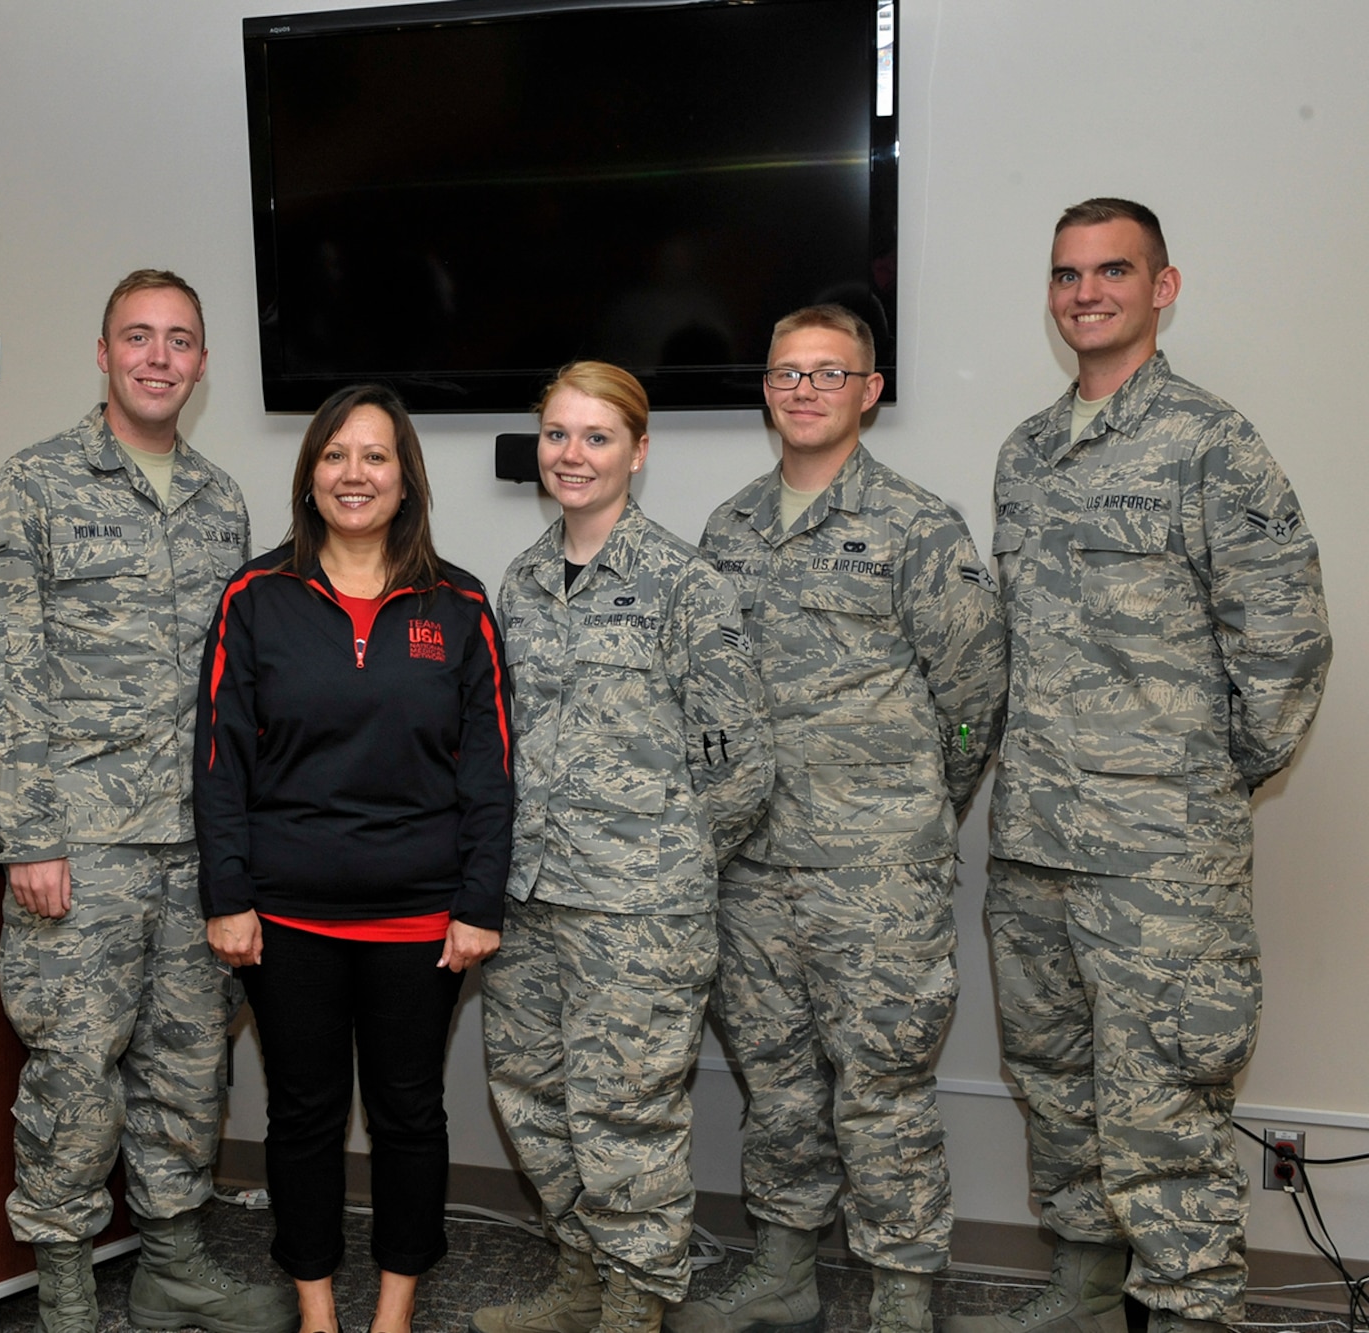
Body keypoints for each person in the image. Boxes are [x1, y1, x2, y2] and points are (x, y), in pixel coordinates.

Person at [944, 200, 1331, 1333]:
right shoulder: (1025, 452)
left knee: (1164, 1098)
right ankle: (1083, 1286)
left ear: (1162, 288)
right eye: (1066, 275)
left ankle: (1189, 1311)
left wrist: (1198, 783)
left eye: (1112, 271)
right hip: (1034, 842)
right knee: (1054, 1080)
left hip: (1158, 858)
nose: (1086, 293)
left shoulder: (1210, 441)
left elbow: (1285, 636)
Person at [0, 270, 294, 1333]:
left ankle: (170, 1257)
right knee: (73, 1067)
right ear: (103, 354)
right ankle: (63, 1277)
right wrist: (29, 835)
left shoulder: (219, 501)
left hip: (197, 845)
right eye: (137, 337)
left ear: (201, 363)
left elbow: (235, 689)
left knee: (189, 1060)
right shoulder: (36, 485)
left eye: (178, 340)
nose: (158, 356)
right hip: (81, 843)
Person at [671, 306, 1006, 1333]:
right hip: (751, 865)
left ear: (868, 389)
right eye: (786, 372)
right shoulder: (727, 528)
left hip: (875, 873)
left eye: (828, 372)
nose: (805, 389)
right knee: (774, 1081)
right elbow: (707, 698)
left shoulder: (916, 525)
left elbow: (974, 699)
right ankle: (783, 1269)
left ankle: (902, 1292)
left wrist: (912, 806)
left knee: (881, 1087)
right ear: (765, 389)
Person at [194, 385, 513, 1333]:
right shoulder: (255, 597)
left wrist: (480, 902)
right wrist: (227, 893)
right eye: (335, 454)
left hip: (422, 919)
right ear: (310, 475)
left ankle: (395, 1312)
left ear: (406, 478)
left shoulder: (460, 603)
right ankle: (319, 1311)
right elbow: (219, 760)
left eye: (375, 456)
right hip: (285, 915)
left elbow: (491, 768)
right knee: (303, 1113)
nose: (354, 473)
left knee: (409, 1113)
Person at [474, 362, 773, 1333]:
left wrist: (662, 856)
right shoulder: (521, 581)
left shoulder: (684, 585)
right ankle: (579, 1278)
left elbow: (738, 763)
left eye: (596, 436)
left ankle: (633, 1305)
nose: (573, 454)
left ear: (637, 451)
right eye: (557, 434)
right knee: (530, 1095)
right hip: (529, 898)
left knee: (626, 1114)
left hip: (638, 910)